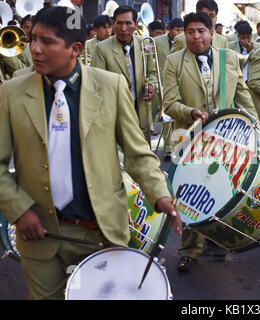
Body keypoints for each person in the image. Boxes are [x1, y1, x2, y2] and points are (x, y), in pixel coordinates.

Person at [0, 6, 182, 300]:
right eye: (33, 39)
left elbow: (137, 153)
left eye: (47, 42)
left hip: (99, 233)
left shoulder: (110, 86)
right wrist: (19, 211)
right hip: (39, 235)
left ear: (75, 48)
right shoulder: (12, 92)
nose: (35, 49)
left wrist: (160, 195)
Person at [162, 12, 258, 271]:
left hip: (226, 138)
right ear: (184, 33)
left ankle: (219, 235)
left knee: (222, 187)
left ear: (212, 31)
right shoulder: (173, 61)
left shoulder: (229, 58)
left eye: (201, 31)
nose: (196, 36)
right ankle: (189, 250)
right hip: (188, 136)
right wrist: (190, 112)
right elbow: (169, 103)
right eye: (190, 31)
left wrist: (255, 126)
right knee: (190, 195)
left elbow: (243, 94)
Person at [91, 6, 157, 139]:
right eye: (119, 23)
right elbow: (96, 83)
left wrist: (151, 85)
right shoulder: (101, 49)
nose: (124, 28)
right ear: (113, 24)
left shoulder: (146, 44)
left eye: (128, 23)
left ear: (136, 25)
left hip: (142, 112)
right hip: (115, 114)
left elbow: (153, 72)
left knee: (144, 155)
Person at [154, 17, 184, 159]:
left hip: (180, 81)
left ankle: (178, 146)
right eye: (177, 30)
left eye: (182, 30)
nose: (179, 32)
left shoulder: (186, 41)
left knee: (178, 116)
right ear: (170, 30)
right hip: (161, 82)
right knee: (166, 117)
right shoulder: (157, 41)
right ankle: (167, 148)